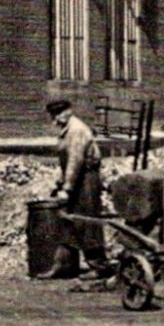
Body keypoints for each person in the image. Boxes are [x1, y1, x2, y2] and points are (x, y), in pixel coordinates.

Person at [47, 99, 108, 273]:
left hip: (87, 179)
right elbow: (67, 162)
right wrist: (60, 182)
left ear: (66, 113)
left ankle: (99, 266)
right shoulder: (67, 130)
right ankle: (65, 265)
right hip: (78, 178)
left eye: (57, 115)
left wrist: (67, 189)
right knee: (68, 220)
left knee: (87, 221)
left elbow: (75, 160)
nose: (55, 120)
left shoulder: (76, 130)